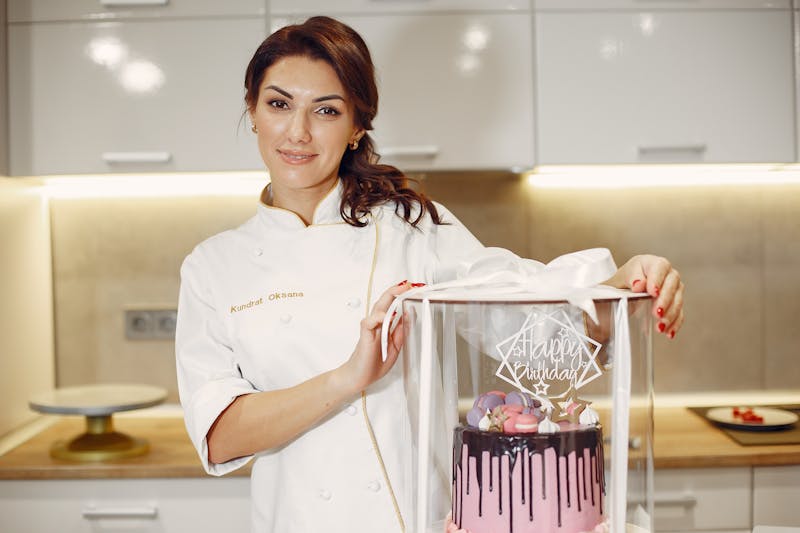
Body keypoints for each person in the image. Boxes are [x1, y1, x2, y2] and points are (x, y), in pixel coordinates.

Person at [175, 16, 685, 533]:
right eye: (279, 104)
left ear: (356, 128)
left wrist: (619, 286)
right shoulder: (213, 267)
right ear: (253, 111)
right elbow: (219, 436)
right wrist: (348, 377)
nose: (298, 132)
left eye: (326, 110)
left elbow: (532, 328)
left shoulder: (410, 228)